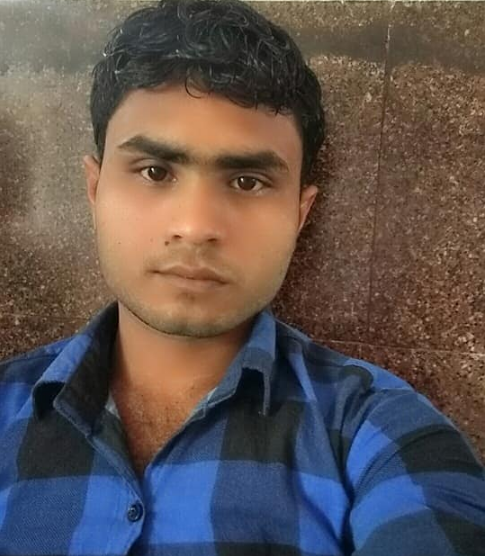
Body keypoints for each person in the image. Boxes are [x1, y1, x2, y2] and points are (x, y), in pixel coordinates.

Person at [0, 0, 484, 553]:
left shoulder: (381, 434)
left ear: (300, 214)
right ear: (95, 191)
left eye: (248, 181)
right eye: (154, 171)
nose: (195, 226)